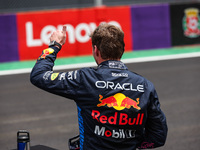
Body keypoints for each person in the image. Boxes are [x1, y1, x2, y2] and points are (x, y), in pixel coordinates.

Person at [30, 23, 168, 150]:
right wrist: (129, 141)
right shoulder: (145, 86)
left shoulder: (85, 78)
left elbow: (39, 75)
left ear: (96, 50)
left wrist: (55, 45)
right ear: (122, 50)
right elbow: (158, 137)